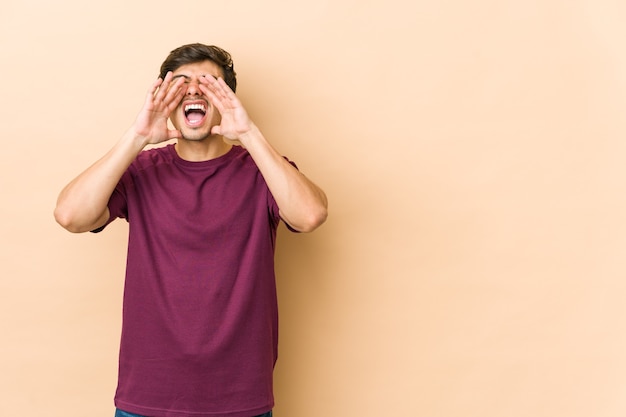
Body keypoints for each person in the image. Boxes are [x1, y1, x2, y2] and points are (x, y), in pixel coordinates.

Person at [54, 43, 328, 417]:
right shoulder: (142, 171)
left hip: (240, 399)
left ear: (225, 97)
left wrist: (248, 133)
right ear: (165, 97)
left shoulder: (261, 171)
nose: (194, 91)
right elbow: (71, 215)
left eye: (208, 83)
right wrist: (136, 137)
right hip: (147, 397)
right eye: (181, 84)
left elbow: (310, 215)